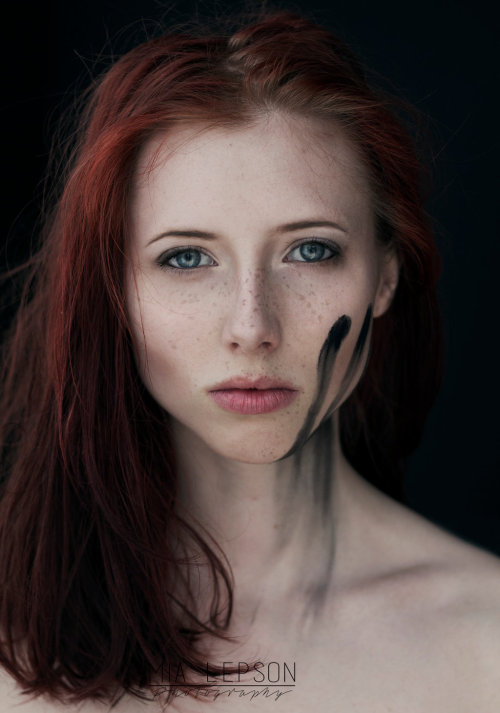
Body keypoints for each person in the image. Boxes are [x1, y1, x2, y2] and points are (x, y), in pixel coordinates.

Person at [1, 9, 499, 712]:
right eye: (185, 257)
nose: (252, 326)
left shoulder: (488, 642)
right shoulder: (13, 643)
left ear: (385, 276)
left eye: (310, 250)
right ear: (113, 289)